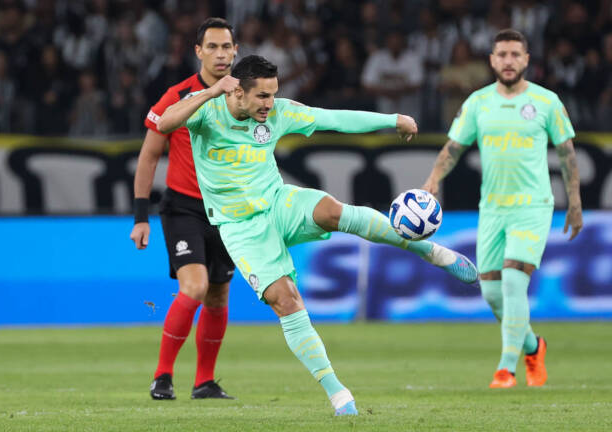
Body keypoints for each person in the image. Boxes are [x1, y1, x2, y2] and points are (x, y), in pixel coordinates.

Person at [156, 54, 479, 416]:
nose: (269, 104)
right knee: (286, 300)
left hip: (278, 202)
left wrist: (393, 119)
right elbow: (163, 123)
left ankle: (430, 251)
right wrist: (211, 90)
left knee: (332, 211)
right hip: (240, 227)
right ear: (239, 92)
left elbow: (334, 118)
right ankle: (338, 393)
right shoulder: (207, 110)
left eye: (273, 94)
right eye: (262, 96)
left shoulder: (277, 113)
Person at [422, 29, 583, 389]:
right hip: (492, 208)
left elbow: (567, 154)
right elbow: (453, 147)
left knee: (513, 281)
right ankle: (533, 346)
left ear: (526, 60)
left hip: (533, 206)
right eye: (502, 54)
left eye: (515, 54)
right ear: (492, 60)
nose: (508, 60)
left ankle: (506, 368)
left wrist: (574, 202)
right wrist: (433, 179)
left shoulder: (546, 102)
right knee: (493, 294)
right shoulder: (478, 103)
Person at [129, 18, 238, 401]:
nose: (221, 54)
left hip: (227, 210)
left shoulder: (244, 95)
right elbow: (148, 156)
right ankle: (162, 376)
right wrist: (141, 217)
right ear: (198, 52)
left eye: (227, 47)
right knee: (194, 286)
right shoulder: (176, 97)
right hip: (183, 208)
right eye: (213, 47)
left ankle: (204, 381)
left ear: (235, 50)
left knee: (219, 295)